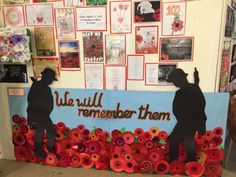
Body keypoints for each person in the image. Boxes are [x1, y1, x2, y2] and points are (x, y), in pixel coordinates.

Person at [168, 68, 207, 162]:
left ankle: (180, 160)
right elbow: (176, 109)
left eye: (174, 81)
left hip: (190, 121)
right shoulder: (186, 90)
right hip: (185, 121)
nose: (174, 84)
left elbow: (201, 104)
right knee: (186, 139)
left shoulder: (190, 89)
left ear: (180, 79)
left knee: (177, 138)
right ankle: (189, 160)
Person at [27, 68, 57, 158]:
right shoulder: (36, 86)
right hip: (37, 114)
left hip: (44, 114)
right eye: (51, 78)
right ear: (47, 78)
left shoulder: (46, 88)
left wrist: (47, 112)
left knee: (50, 132)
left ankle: (49, 147)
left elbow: (49, 102)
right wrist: (30, 118)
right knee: (40, 132)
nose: (52, 81)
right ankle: (39, 149)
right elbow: (31, 101)